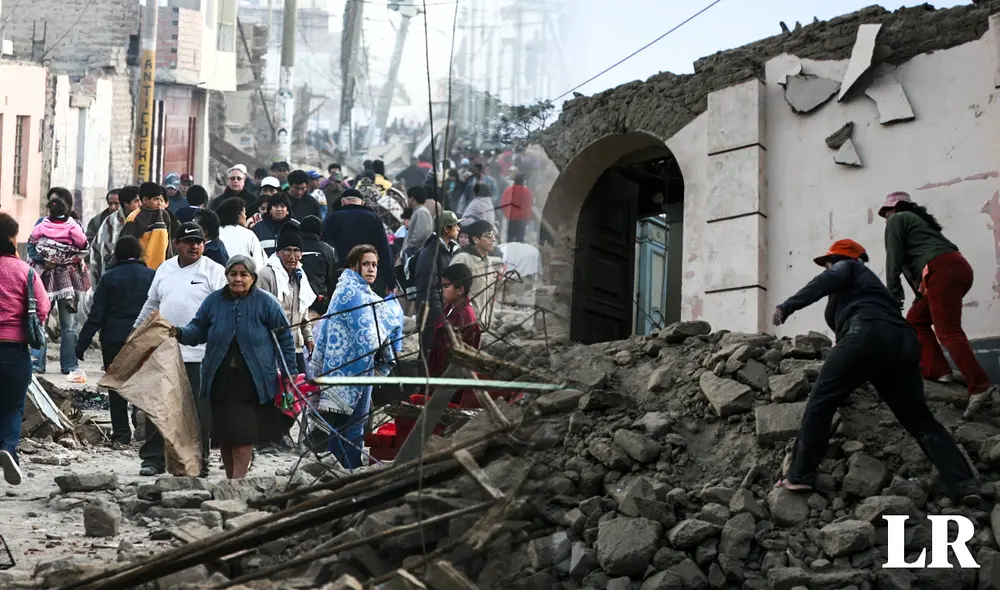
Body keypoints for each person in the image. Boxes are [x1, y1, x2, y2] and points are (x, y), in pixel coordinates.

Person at [771, 239, 981, 502]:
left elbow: (829, 291)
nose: (826, 270)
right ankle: (964, 484)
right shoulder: (868, 289)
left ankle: (799, 476)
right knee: (919, 419)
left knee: (820, 402)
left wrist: (788, 305)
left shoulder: (846, 266)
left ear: (839, 260)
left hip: (867, 334)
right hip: (902, 343)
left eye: (827, 264)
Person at [172, 255, 296, 480]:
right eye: (233, 274)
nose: (238, 279)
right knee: (224, 434)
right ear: (226, 276)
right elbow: (198, 329)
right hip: (219, 378)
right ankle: (231, 480)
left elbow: (284, 338)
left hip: (251, 380)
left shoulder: (266, 302)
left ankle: (238, 480)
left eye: (243, 275)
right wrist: (180, 332)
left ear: (253, 278)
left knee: (242, 433)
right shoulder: (214, 302)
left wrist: (290, 373)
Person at [879, 191, 998, 418]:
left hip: (942, 271)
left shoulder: (897, 220)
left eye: (887, 211)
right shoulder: (921, 225)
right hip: (953, 269)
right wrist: (916, 297)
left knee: (948, 331)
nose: (886, 217)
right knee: (916, 320)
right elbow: (917, 267)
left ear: (896, 208)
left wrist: (893, 296)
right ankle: (939, 370)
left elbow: (893, 258)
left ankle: (980, 386)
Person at [134, 222, 226, 476]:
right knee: (159, 405)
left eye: (199, 241)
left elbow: (222, 310)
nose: (194, 246)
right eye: (188, 241)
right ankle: (153, 458)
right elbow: (151, 303)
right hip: (164, 349)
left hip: (200, 353)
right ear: (176, 244)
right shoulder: (165, 269)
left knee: (198, 411)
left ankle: (199, 460)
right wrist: (136, 332)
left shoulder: (214, 271)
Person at [310, 245, 402, 469]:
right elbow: (367, 334)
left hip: (362, 367)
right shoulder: (348, 292)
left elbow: (383, 324)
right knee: (347, 425)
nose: (371, 269)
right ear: (354, 266)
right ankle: (346, 469)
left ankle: (345, 467)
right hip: (346, 368)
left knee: (355, 424)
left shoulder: (364, 292)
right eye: (366, 264)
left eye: (375, 265)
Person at [76, 236, 155, 446]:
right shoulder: (152, 275)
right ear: (140, 253)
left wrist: (82, 342)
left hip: (113, 338)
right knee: (142, 380)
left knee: (116, 386)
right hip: (142, 337)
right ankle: (141, 416)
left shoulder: (109, 277)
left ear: (117, 254)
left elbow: (97, 313)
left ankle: (121, 434)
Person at [0, 213, 51, 485]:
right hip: (13, 349)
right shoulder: (24, 271)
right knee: (12, 407)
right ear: (11, 238)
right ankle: (8, 448)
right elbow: (42, 308)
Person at [29, 195, 91, 375]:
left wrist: (47, 259)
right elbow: (82, 246)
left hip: (52, 279)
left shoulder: (42, 224)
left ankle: (60, 364)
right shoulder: (73, 226)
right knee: (49, 321)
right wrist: (62, 258)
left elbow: (33, 244)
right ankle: (63, 365)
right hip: (64, 280)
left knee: (58, 323)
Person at [322, 189, 395, 296]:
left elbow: (325, 246)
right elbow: (385, 251)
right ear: (361, 202)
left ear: (342, 202)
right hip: (368, 276)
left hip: (340, 275)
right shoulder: (373, 218)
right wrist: (390, 282)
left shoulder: (332, 218)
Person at [414, 211, 462, 357]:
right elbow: (428, 288)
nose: (459, 228)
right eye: (455, 225)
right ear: (446, 229)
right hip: (431, 316)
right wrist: (439, 317)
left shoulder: (449, 250)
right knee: (429, 353)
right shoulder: (430, 253)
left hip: (443, 312)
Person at [428, 263, 482, 378]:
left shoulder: (466, 318)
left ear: (460, 290)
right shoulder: (450, 308)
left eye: (446, 286)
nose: (442, 290)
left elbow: (463, 361)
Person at [451, 220, 500, 326]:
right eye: (488, 236)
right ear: (476, 239)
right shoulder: (463, 259)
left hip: (482, 325)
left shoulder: (487, 261)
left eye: (493, 235)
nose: (493, 239)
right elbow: (450, 291)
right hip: (464, 324)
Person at [91, 186, 141, 284]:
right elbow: (102, 252)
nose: (140, 204)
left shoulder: (144, 219)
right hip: (113, 275)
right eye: (136, 201)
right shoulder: (111, 222)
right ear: (126, 204)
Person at [120, 182, 175, 270]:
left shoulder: (164, 215)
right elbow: (126, 246)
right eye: (156, 199)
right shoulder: (134, 218)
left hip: (162, 269)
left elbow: (168, 243)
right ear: (145, 200)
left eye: (160, 200)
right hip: (141, 270)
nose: (159, 203)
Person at [299, 216, 339, 316]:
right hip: (318, 302)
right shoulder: (328, 250)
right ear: (320, 232)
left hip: (295, 301)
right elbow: (332, 280)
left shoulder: (293, 248)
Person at [216, 197, 266, 269]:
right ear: (238, 215)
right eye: (244, 213)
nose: (245, 216)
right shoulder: (249, 234)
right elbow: (259, 264)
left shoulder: (215, 233)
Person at [252, 192, 299, 256]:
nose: (279, 209)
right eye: (276, 206)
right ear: (270, 210)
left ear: (287, 210)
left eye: (282, 206)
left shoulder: (296, 227)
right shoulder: (258, 228)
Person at [500, 173, 532, 243]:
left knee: (510, 238)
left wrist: (506, 213)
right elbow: (528, 206)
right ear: (523, 181)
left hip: (511, 218)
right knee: (520, 239)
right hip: (522, 218)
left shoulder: (508, 190)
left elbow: (503, 203)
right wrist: (528, 218)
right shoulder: (527, 192)